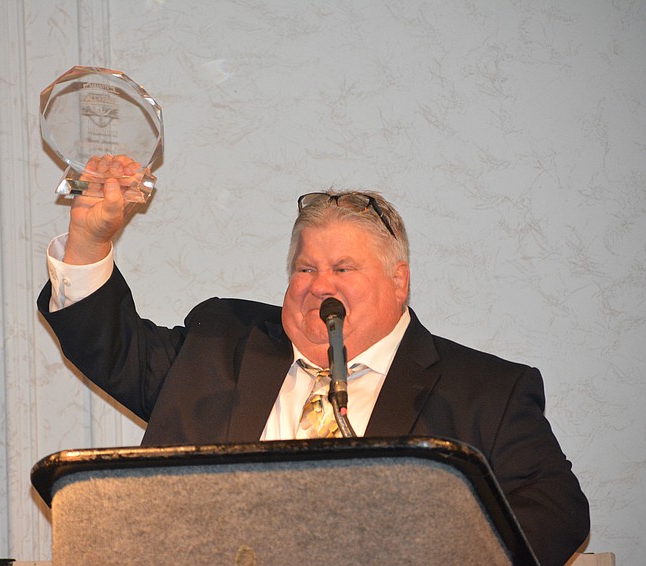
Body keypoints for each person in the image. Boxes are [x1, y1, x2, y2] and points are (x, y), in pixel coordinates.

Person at [38, 155, 590, 565]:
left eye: (343, 269)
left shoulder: (486, 391)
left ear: (399, 282)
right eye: (305, 270)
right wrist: (89, 240)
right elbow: (111, 346)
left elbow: (557, 508)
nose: (317, 287)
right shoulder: (220, 347)